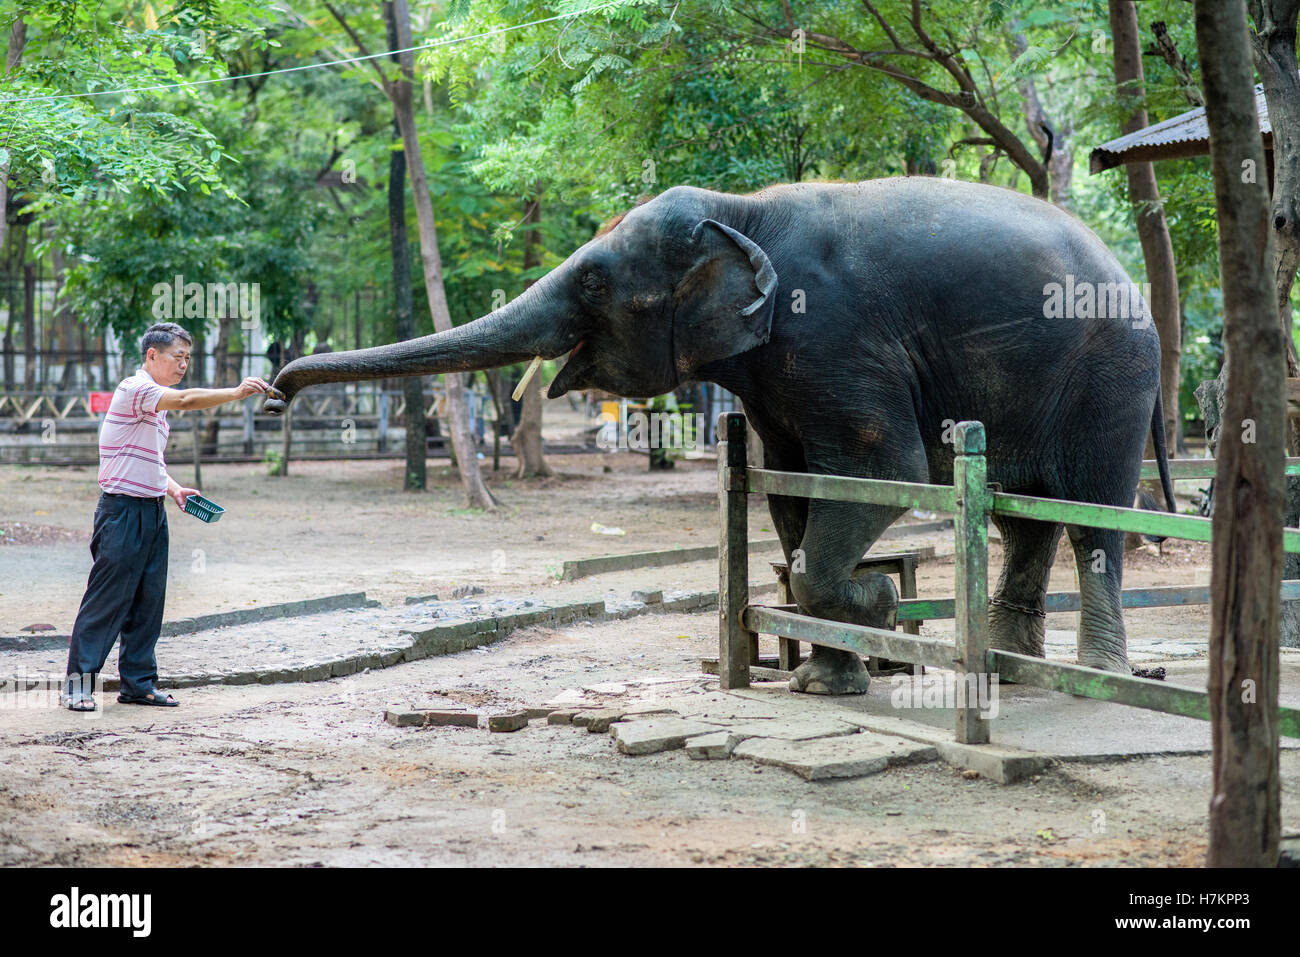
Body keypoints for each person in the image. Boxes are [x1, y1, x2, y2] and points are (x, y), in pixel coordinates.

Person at [62, 322, 269, 712]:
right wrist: (238, 392)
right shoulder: (134, 389)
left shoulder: (155, 410)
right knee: (107, 602)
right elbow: (188, 399)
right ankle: (77, 685)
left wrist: (173, 488)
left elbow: (149, 459)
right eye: (178, 357)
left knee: (148, 602)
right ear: (152, 355)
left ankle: (138, 684)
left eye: (188, 358)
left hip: (152, 510)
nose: (184, 365)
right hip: (121, 511)